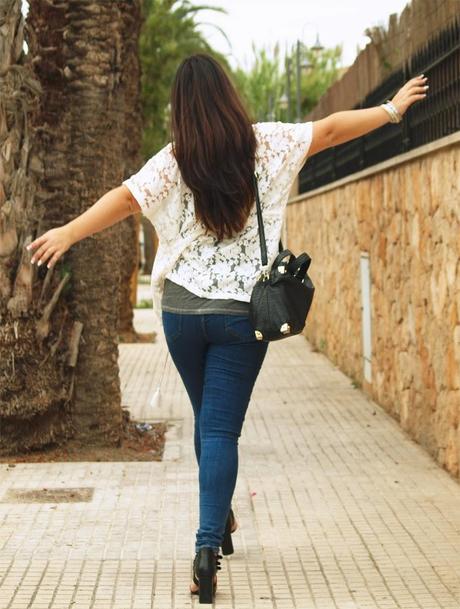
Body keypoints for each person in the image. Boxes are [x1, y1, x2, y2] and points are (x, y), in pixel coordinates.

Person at [26, 53, 428, 604]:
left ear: (180, 109)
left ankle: (218, 514)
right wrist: (390, 109)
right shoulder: (265, 143)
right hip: (243, 316)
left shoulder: (176, 159)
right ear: (228, 95)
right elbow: (332, 130)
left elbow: (124, 199)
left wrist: (68, 233)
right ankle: (207, 545)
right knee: (218, 431)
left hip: (182, 316)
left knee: (209, 422)